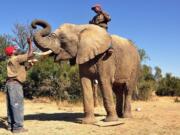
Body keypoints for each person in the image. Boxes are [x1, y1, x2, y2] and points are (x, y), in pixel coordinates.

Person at [5, 38, 34, 133]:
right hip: (15, 85)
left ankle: (11, 125)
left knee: (11, 106)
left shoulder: (11, 60)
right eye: (14, 49)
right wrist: (30, 43)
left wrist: (30, 65)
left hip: (10, 84)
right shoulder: (16, 58)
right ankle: (18, 128)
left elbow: (22, 70)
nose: (16, 49)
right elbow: (30, 54)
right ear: (12, 52)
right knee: (17, 105)